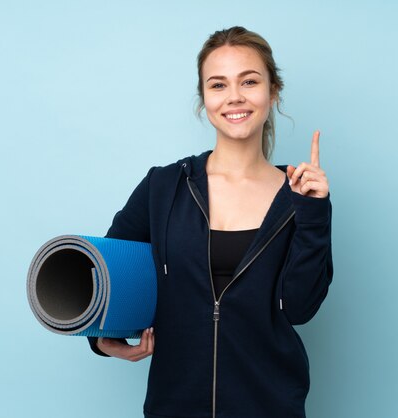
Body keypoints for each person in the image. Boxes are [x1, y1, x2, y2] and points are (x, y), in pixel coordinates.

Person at [88, 26, 333, 418]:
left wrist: (313, 213)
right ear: (204, 99)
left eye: (249, 81)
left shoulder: (299, 195)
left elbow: (300, 307)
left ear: (273, 92)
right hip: (175, 405)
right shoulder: (163, 186)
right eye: (218, 85)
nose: (234, 96)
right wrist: (104, 340)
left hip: (271, 406)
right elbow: (108, 278)